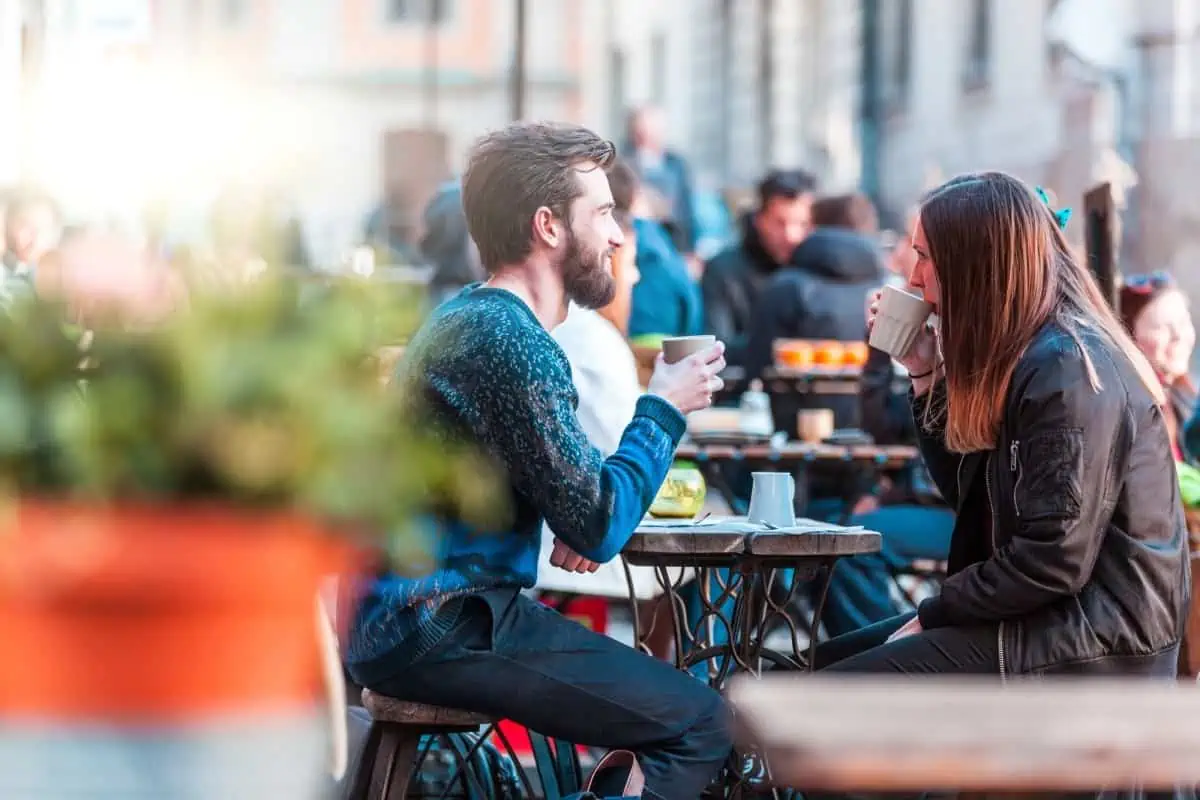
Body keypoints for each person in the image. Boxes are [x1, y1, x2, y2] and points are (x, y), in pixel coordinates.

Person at [344, 122, 732, 798]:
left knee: (680, 714)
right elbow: (601, 524)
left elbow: (576, 502)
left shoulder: (478, 321)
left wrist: (572, 518)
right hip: (441, 621)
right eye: (605, 213)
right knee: (701, 723)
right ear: (548, 226)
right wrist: (663, 406)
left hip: (425, 617)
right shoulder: (509, 341)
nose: (617, 236)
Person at [818, 171, 1189, 677]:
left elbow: (1054, 558)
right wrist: (926, 374)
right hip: (1051, 620)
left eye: (925, 258)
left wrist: (936, 614)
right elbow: (973, 500)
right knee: (805, 670)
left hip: (1098, 643)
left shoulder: (1067, 368)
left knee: (817, 694)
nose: (914, 280)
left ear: (973, 265)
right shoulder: (1035, 353)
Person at [702, 169, 816, 366]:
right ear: (759, 220)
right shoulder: (723, 270)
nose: (791, 235)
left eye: (802, 224)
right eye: (780, 223)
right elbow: (717, 344)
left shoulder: (817, 269)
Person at [1118, 272, 1196, 463]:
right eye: (1162, 327)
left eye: (1183, 322)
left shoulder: (1184, 399)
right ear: (1130, 336)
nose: (1178, 335)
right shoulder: (1131, 412)